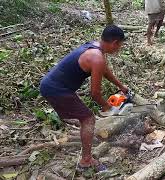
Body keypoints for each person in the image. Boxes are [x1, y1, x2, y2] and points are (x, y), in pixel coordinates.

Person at [40, 25, 128, 171]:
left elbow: (104, 70)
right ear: (115, 43)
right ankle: (86, 161)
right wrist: (108, 107)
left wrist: (121, 86)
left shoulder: (95, 47)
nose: (119, 49)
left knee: (82, 115)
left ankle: (75, 121)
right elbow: (94, 94)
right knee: (89, 119)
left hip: (53, 85)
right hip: (56, 89)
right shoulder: (97, 57)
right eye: (120, 46)